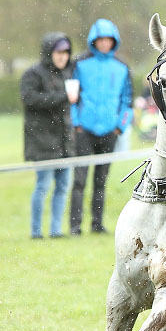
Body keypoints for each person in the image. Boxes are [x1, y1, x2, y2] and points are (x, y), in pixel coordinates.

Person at [70, 18, 133, 235]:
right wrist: (76, 124)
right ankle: (74, 226)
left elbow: (127, 101)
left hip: (110, 132)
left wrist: (119, 127)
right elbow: (73, 98)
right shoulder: (80, 65)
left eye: (108, 40)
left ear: (113, 41)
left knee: (101, 180)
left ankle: (97, 224)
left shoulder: (122, 67)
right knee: (79, 180)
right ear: (93, 41)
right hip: (84, 131)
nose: (104, 43)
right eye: (100, 40)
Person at [20, 33, 76, 239]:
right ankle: (36, 231)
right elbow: (30, 99)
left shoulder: (67, 73)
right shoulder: (32, 74)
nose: (63, 57)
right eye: (59, 52)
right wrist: (63, 97)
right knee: (43, 186)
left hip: (64, 142)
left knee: (62, 186)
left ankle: (56, 230)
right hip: (42, 141)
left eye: (66, 52)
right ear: (49, 53)